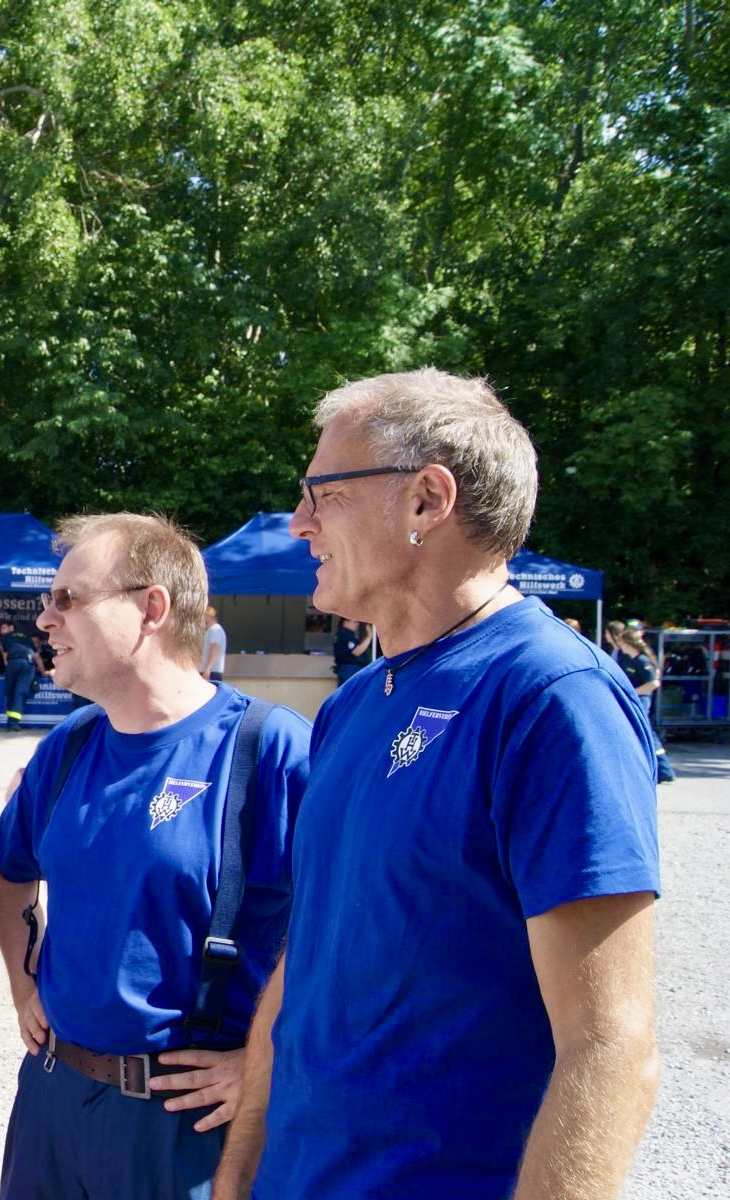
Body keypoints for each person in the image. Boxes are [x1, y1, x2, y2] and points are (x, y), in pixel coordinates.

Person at [214, 368, 661, 1200]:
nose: (297, 521)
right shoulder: (354, 704)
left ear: (426, 499)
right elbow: (303, 959)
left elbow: (610, 1046)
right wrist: (237, 1176)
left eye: (321, 492)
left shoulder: (549, 697)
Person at [0, 514, 311, 1200]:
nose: (44, 619)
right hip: (51, 1099)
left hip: (182, 1128)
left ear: (150, 609)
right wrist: (24, 991)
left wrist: (265, 1064)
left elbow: (343, 931)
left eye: (67, 599)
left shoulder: (269, 751)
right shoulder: (67, 746)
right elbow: (9, 868)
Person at [610, 620, 677, 783]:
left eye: (622, 642)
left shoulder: (642, 661)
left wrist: (632, 692)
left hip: (641, 700)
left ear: (628, 643)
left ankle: (664, 770)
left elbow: (654, 683)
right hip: (635, 700)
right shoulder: (630, 660)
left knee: (646, 733)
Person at [0, 615, 39, 729]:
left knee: (10, 692)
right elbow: (36, 656)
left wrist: (9, 668)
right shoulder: (27, 638)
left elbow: (5, 656)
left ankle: (10, 723)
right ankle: (14, 723)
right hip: (28, 665)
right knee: (19, 693)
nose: (2, 631)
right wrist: (43, 671)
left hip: (13, 664)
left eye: (4, 628)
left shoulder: (5, 638)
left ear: (11, 627)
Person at [330, 615, 372, 686]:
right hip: (350, 670)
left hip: (349, 670)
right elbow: (356, 651)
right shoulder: (345, 634)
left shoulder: (346, 634)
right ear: (346, 621)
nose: (357, 624)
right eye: (355, 622)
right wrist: (369, 637)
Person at [198, 607, 226, 682]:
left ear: (209, 616)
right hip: (208, 671)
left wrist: (207, 669)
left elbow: (215, 649)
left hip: (211, 672)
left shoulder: (215, 630)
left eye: (204, 616)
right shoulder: (210, 630)